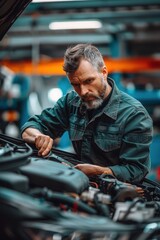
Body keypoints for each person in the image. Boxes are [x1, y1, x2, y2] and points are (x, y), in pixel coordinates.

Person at [21, 43, 153, 184]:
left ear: (104, 72)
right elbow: (32, 126)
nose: (83, 91)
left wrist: (100, 172)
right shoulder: (71, 102)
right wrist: (38, 136)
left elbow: (136, 170)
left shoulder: (134, 115)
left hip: (118, 194)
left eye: (88, 81)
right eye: (76, 84)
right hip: (81, 186)